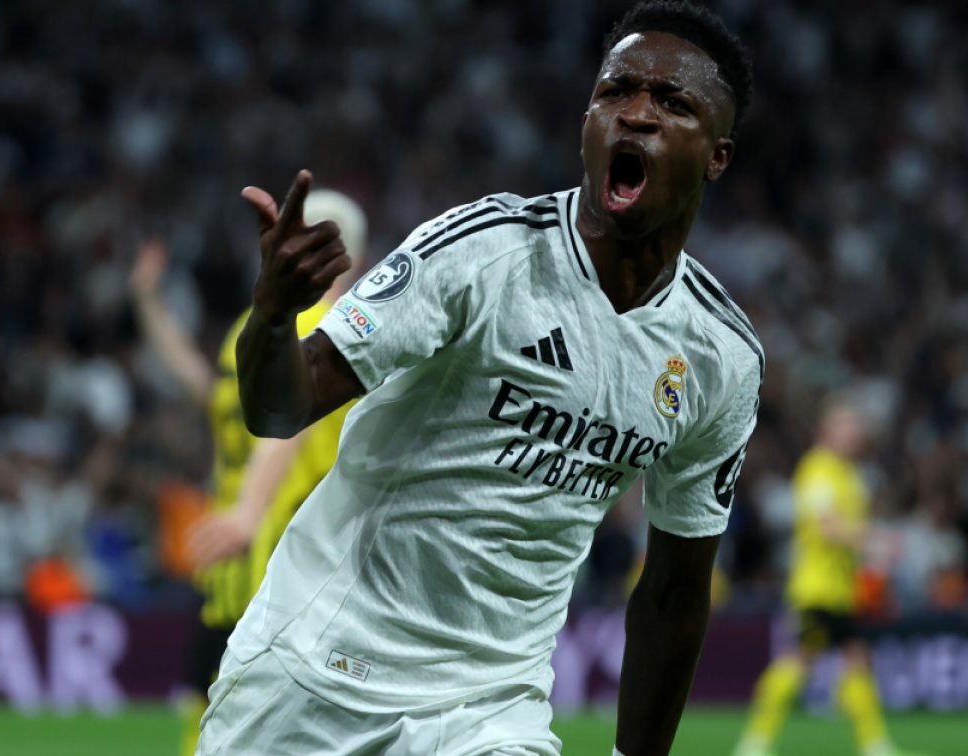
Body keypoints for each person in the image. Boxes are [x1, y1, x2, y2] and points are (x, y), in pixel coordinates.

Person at [198, 2, 763, 754]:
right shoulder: (483, 254)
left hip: (489, 708)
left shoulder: (719, 356)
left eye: (671, 102)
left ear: (717, 156)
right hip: (315, 673)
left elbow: (674, 589)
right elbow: (277, 410)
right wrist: (273, 316)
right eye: (614, 91)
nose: (635, 114)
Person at [128, 190, 366, 756]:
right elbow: (287, 422)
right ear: (354, 257)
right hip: (280, 550)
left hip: (247, 551)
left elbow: (214, 392)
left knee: (217, 710)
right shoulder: (334, 326)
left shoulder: (255, 326)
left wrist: (147, 303)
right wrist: (251, 513)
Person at [733, 401, 921, 756]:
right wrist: (876, 538)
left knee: (852, 658)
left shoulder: (849, 474)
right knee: (800, 660)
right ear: (826, 430)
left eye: (855, 428)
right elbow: (827, 528)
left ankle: (873, 745)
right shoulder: (817, 469)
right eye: (844, 426)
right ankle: (754, 743)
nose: (853, 434)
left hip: (841, 589)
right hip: (815, 587)